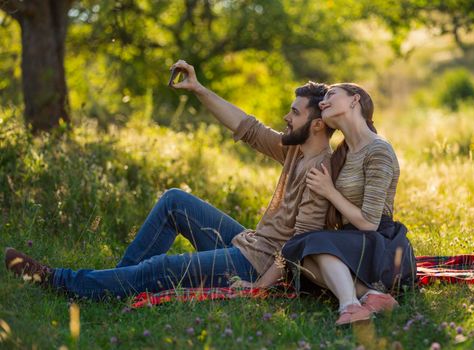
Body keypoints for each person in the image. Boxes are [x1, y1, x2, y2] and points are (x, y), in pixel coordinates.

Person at [4, 60, 334, 300]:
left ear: (317, 125)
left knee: (159, 268)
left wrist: (259, 288)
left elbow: (298, 245)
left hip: (256, 266)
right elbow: (248, 127)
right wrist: (198, 89)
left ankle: (60, 281)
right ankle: (118, 283)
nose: (286, 118)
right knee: (175, 201)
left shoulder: (319, 171)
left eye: (295, 112)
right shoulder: (295, 148)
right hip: (248, 243)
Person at [281, 83, 416, 326]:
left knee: (312, 242)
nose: (323, 102)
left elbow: (369, 223)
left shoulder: (378, 150)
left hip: (381, 245)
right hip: (352, 242)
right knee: (299, 251)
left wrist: (330, 192)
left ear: (355, 100)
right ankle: (372, 296)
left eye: (331, 95)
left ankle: (350, 306)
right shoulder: (342, 154)